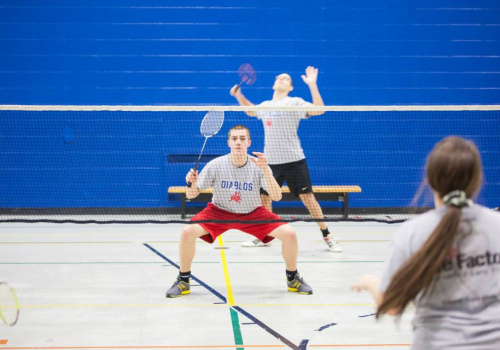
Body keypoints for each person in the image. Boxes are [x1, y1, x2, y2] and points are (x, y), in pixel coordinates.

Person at [352, 136, 500, 349]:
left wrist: (370, 281)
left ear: (430, 180)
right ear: (477, 181)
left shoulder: (413, 232)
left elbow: (391, 306)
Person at [166, 125, 313, 298]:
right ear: (228, 142)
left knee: (290, 234)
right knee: (187, 232)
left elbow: (277, 196)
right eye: (234, 139)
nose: (238, 142)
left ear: (249, 143)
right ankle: (183, 280)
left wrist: (266, 170)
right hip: (219, 212)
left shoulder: (259, 166)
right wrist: (190, 182)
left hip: (252, 213)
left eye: (242, 139)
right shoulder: (216, 164)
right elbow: (191, 194)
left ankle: (293, 278)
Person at [230, 66, 342, 252]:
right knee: (264, 198)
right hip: (270, 162)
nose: (281, 79)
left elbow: (320, 110)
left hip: (293, 160)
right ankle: (264, 235)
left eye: (286, 78)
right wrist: (238, 95)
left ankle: (327, 235)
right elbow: (251, 111)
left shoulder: (295, 102)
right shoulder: (266, 105)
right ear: (274, 84)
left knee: (308, 198)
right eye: (279, 77)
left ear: (290, 87)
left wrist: (312, 85)